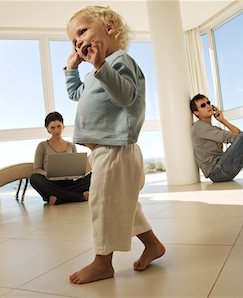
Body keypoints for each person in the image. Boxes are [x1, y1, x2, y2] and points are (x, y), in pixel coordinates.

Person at [65, 5, 165, 284]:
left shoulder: (120, 62)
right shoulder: (95, 74)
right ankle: (153, 245)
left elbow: (125, 97)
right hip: (103, 151)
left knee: (104, 205)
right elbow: (75, 94)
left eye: (83, 31)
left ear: (109, 27)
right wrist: (71, 69)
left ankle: (103, 263)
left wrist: (100, 66)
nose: (79, 42)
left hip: (116, 148)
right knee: (124, 206)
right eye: (74, 40)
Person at [29, 112, 91, 205]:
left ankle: (59, 198)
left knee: (92, 176)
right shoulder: (42, 146)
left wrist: (77, 174)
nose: (57, 130)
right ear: (47, 129)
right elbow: (37, 169)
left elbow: (76, 168)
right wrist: (50, 175)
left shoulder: (71, 146)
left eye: (59, 126)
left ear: (63, 126)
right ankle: (79, 197)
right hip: (51, 183)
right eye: (52, 128)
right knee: (34, 179)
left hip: (69, 183)